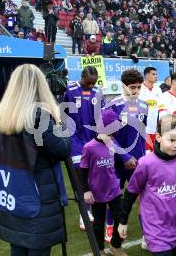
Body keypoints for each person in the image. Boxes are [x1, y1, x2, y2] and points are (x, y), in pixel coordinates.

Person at [0, 64, 71, 256]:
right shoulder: (38, 116)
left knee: (17, 249)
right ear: (39, 85)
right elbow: (63, 149)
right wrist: (60, 126)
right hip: (36, 201)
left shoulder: (4, 116)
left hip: (13, 198)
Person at [118, 114, 176, 255]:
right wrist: (123, 221)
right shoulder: (146, 163)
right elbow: (131, 192)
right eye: (171, 140)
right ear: (159, 137)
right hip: (156, 230)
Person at [104, 69, 147, 242]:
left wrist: (144, 156)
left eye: (138, 87)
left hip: (139, 160)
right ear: (123, 85)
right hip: (117, 160)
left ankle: (147, 233)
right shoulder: (111, 106)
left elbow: (144, 134)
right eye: (132, 87)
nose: (135, 91)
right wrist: (125, 156)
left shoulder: (145, 105)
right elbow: (106, 137)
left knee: (144, 197)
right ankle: (109, 226)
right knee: (114, 195)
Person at [80, 109, 127, 256]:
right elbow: (83, 171)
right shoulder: (89, 147)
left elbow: (116, 163)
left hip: (114, 188)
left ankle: (116, 245)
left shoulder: (112, 143)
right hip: (97, 191)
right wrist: (86, 190)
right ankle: (99, 249)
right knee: (99, 223)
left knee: (121, 217)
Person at [63, 65, 104, 230]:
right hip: (75, 138)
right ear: (82, 78)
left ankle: (94, 206)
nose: (91, 86)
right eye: (88, 83)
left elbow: (101, 116)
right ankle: (84, 212)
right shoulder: (70, 90)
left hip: (93, 138)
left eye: (93, 83)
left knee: (94, 175)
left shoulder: (98, 92)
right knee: (81, 173)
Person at [139, 67, 162, 152]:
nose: (156, 76)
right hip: (142, 128)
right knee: (145, 153)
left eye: (156, 74)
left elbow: (160, 108)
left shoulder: (158, 89)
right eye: (153, 74)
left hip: (154, 128)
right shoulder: (139, 88)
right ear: (146, 75)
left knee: (153, 153)